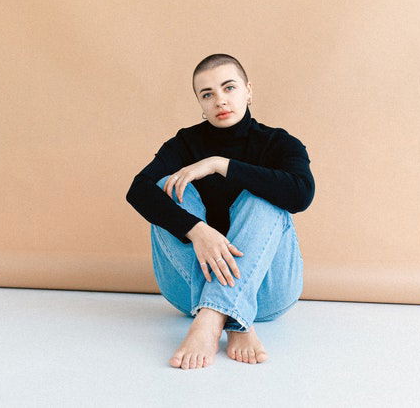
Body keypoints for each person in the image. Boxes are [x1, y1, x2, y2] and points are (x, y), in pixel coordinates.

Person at [125, 54, 315, 370]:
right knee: (165, 187)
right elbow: (138, 190)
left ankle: (213, 318)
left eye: (229, 88)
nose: (220, 100)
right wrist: (197, 230)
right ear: (200, 102)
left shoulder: (280, 143)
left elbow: (300, 194)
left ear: (248, 91)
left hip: (268, 292)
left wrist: (220, 165)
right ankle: (234, 317)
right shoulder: (185, 142)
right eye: (208, 94)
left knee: (263, 196)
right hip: (188, 290)